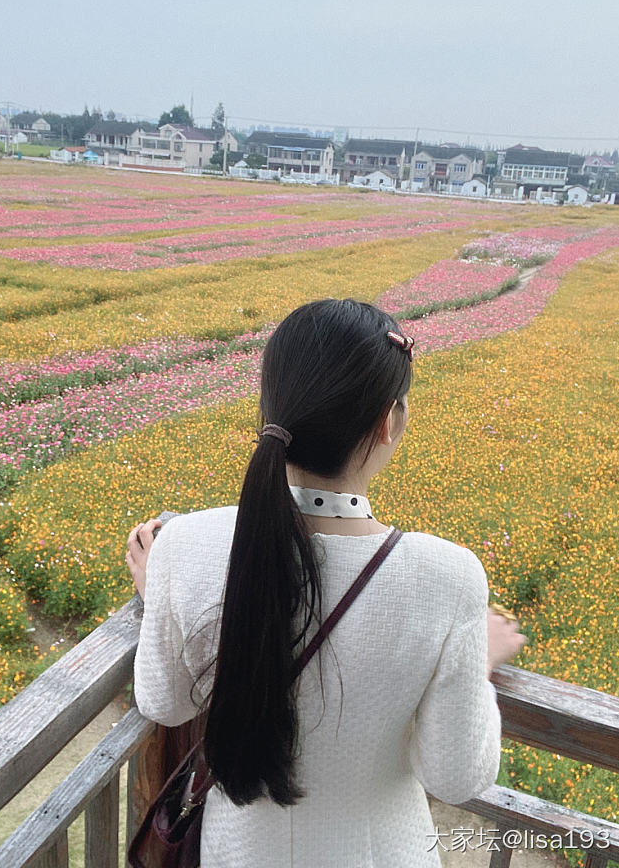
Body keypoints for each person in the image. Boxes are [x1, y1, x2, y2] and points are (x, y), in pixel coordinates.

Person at [126, 297, 526, 868]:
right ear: (387, 422)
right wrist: (476, 662)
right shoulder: (448, 577)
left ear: (270, 406)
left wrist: (163, 594)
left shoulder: (183, 546)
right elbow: (457, 776)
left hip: (236, 854)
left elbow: (163, 702)